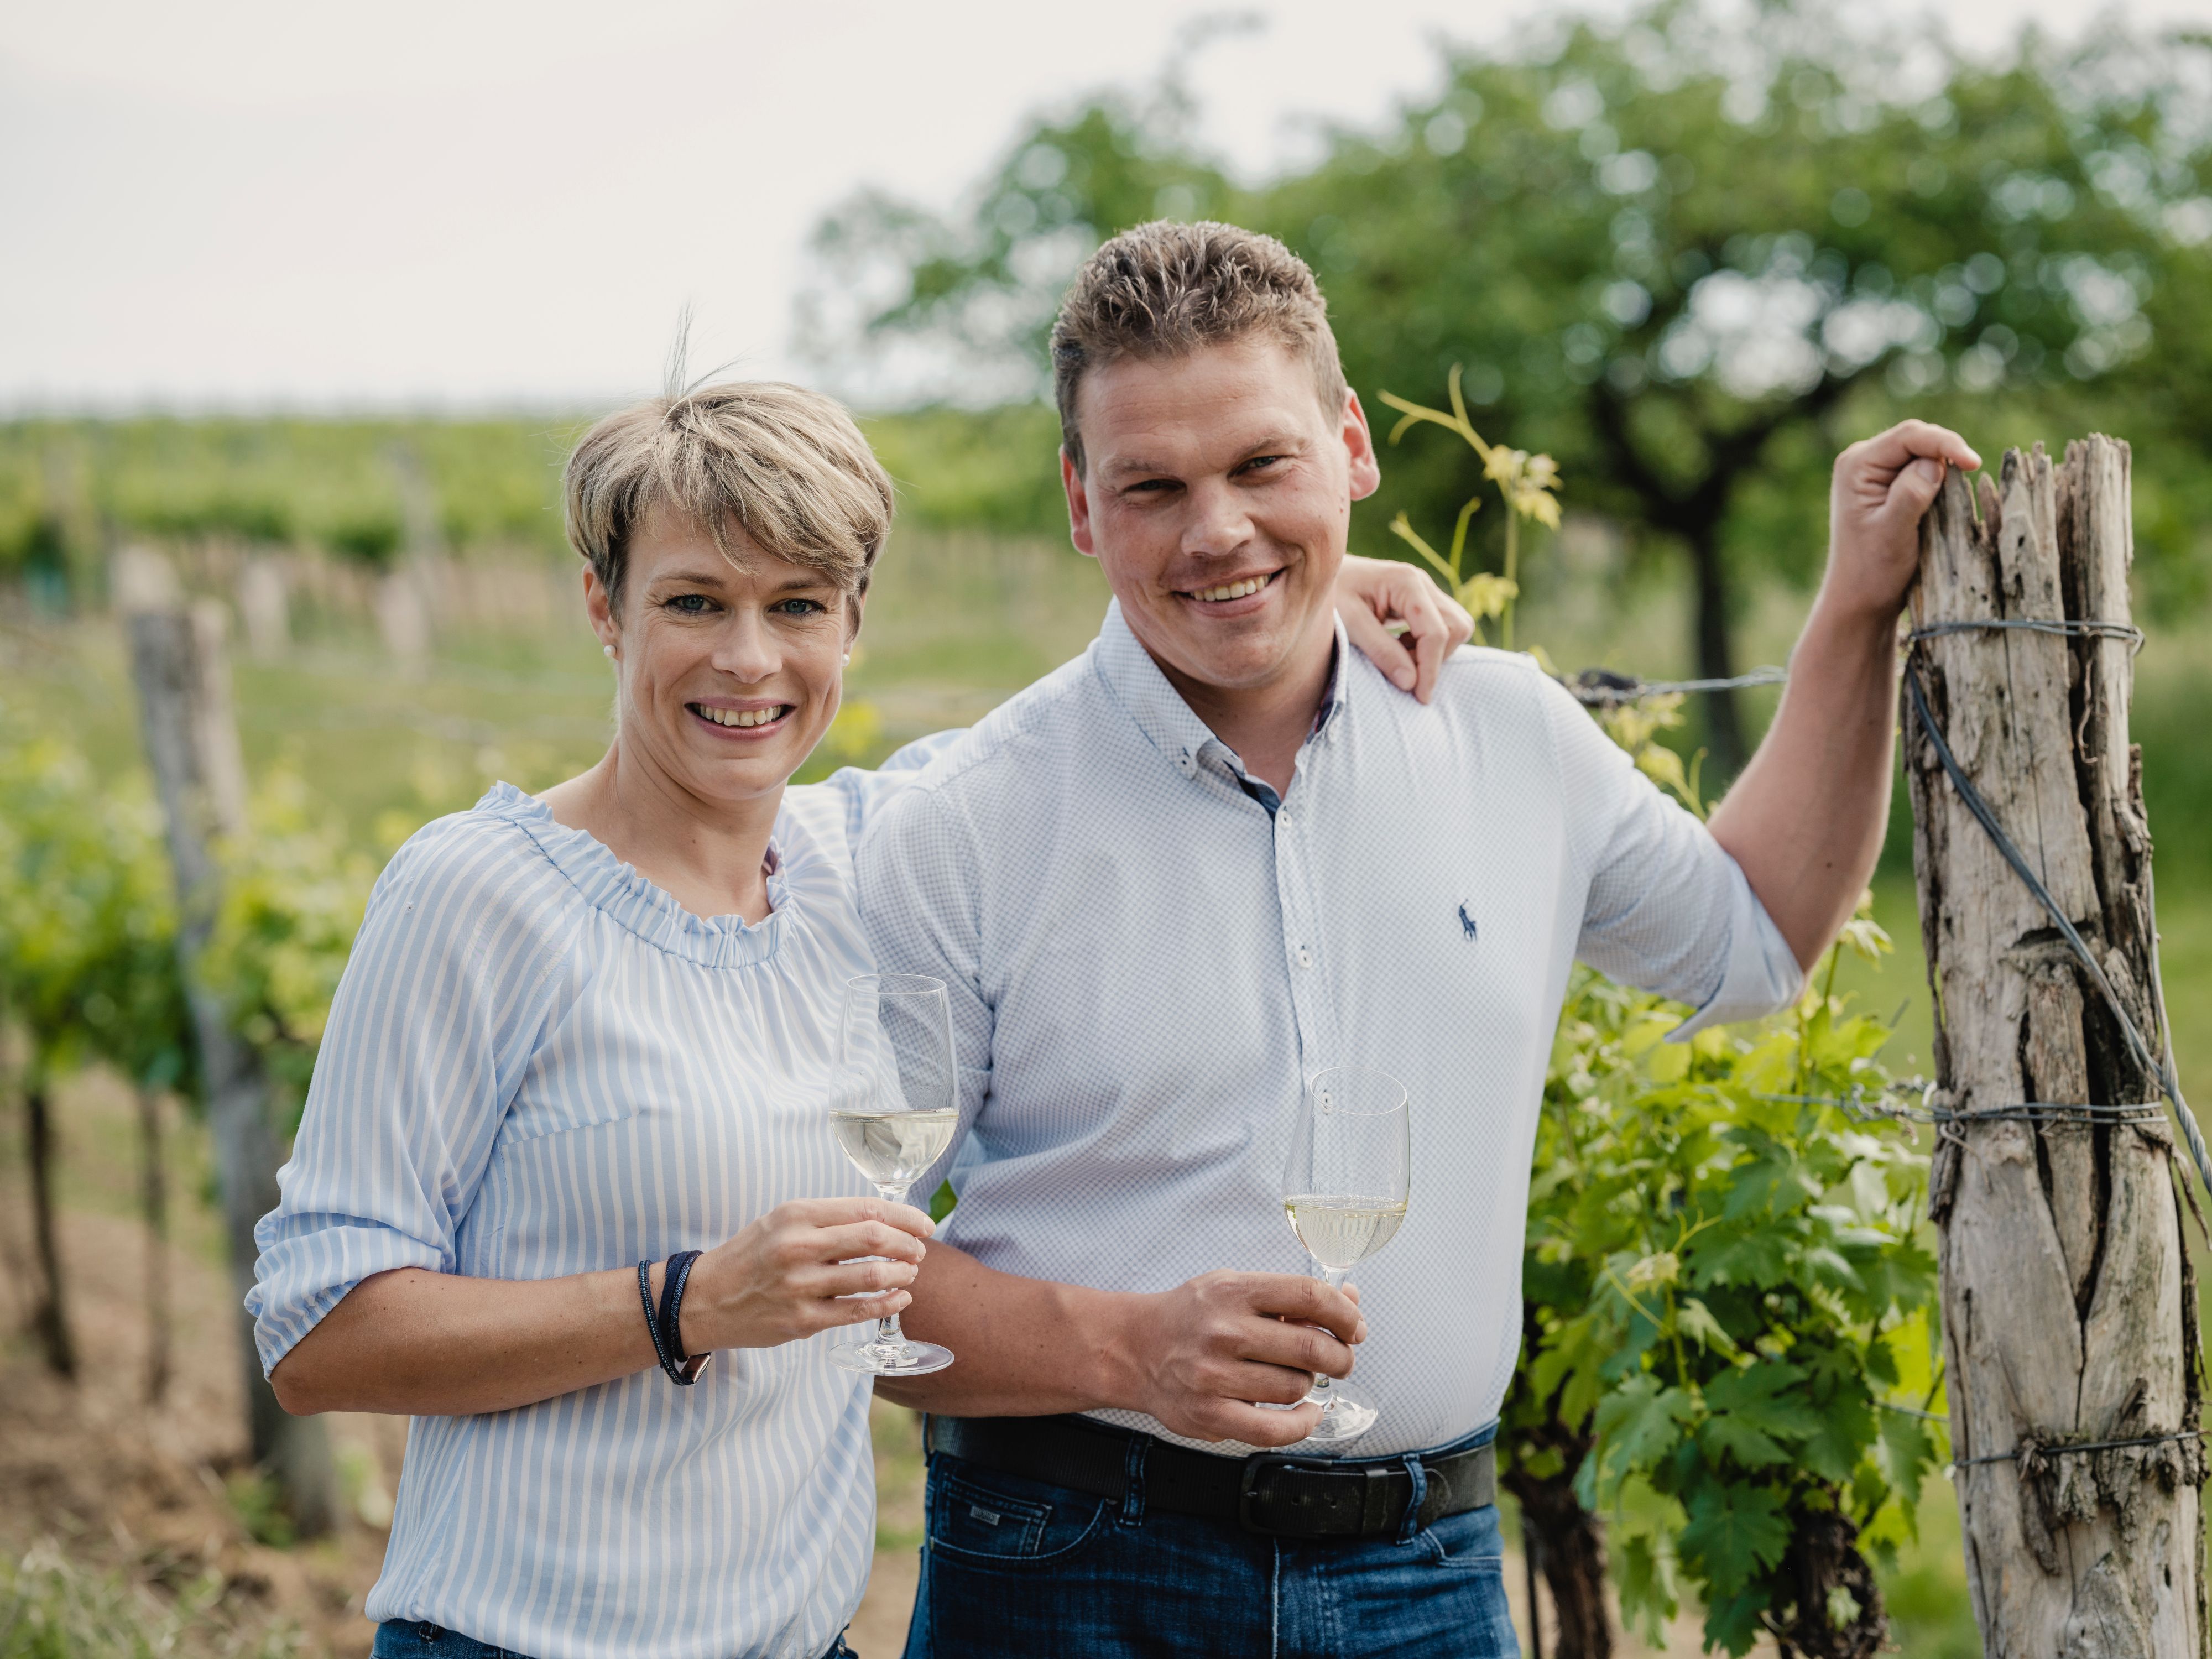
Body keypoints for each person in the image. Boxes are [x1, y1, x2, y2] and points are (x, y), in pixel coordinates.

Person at [853, 220, 1982, 1658]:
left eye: (1263, 466)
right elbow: (834, 1273)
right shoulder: (965, 821)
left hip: (1426, 1577)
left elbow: (1752, 938)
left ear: (1353, 446)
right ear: (1082, 505)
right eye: (1155, 486)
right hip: (1069, 1566)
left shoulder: (1508, 731)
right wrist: (1126, 1348)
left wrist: (1856, 608)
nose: (1217, 531)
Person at [246, 376, 1470, 1659]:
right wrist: (686, 1305)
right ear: (603, 606)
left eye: (797, 606)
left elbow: (1089, 713)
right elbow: (321, 1336)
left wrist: (1295, 579)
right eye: (692, 603)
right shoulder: (478, 894)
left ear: (851, 624)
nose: (748, 658)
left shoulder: (862, 859)